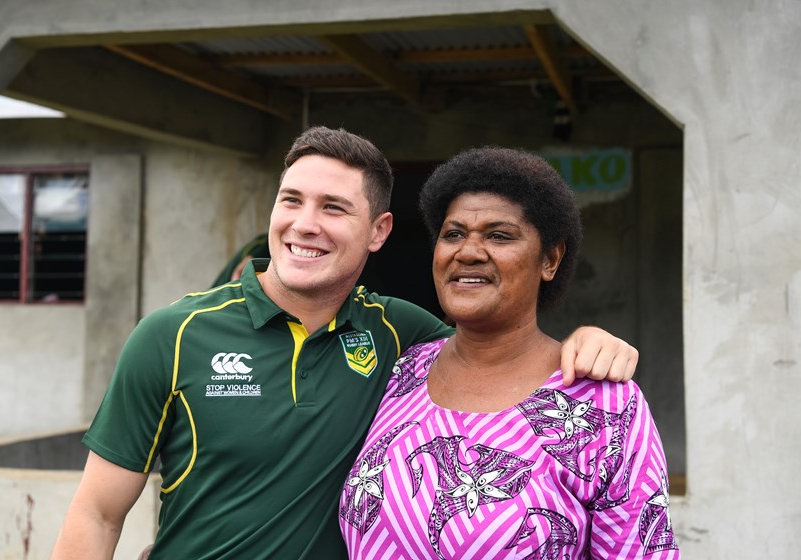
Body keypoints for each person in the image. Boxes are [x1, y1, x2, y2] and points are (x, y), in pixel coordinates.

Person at [51, 127, 639, 559]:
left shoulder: (400, 339)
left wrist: (586, 341)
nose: (305, 224)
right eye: (292, 200)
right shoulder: (172, 335)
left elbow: (496, 341)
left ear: (378, 231)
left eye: (334, 207)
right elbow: (97, 514)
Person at [339, 146, 678, 558]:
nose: (468, 251)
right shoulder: (401, 373)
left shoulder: (604, 406)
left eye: (499, 235)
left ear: (550, 259)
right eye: (453, 234)